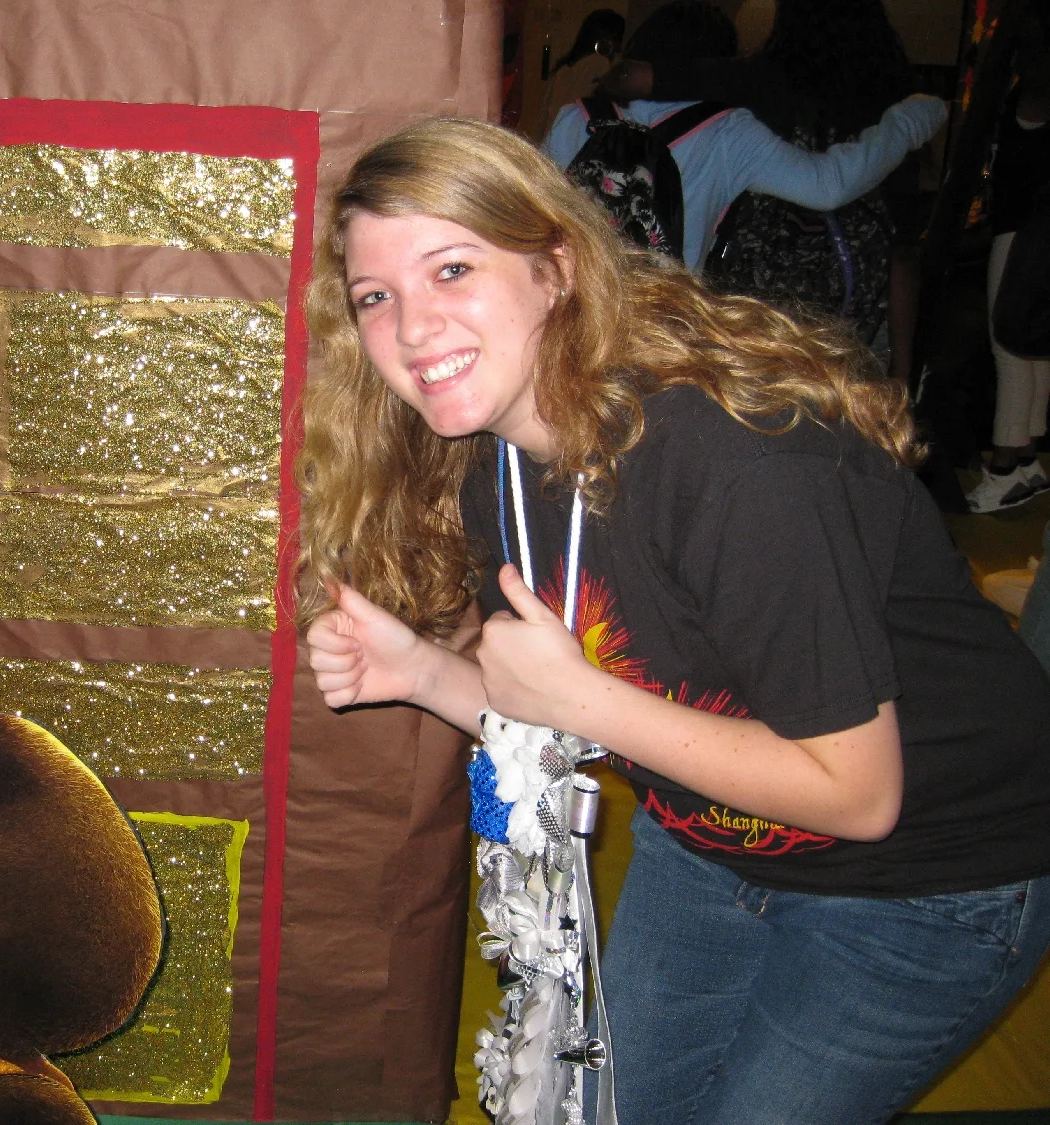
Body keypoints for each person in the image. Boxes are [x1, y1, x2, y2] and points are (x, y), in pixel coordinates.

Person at [297, 117, 1050, 1124]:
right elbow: (569, 700)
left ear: (556, 269)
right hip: (710, 845)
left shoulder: (736, 464)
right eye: (375, 297)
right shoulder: (495, 462)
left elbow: (858, 793)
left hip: (930, 870)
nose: (413, 327)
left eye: (452, 270)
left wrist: (585, 702)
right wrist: (422, 672)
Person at [542, 2, 945, 273]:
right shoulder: (729, 134)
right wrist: (911, 120)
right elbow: (830, 184)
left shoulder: (576, 118)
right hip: (657, 329)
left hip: (576, 310)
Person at [966, 38, 1050, 513]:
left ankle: (1004, 469)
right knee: (1035, 351)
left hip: (1022, 232)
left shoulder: (1029, 92)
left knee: (1011, 350)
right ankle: (1026, 461)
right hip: (1036, 230)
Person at [537, 8, 625, 142]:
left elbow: (546, 114)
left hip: (554, 137)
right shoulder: (599, 64)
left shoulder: (566, 67)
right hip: (575, 138)